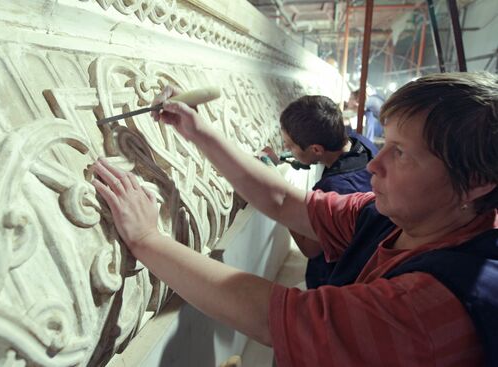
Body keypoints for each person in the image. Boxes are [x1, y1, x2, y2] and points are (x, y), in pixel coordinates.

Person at [92, 72, 498, 366]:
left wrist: (147, 237)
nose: (376, 165)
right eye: (384, 144)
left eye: (402, 153)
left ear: (477, 182)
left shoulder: (436, 305)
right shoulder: (394, 217)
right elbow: (283, 200)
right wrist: (198, 130)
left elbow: (273, 317)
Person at [262, 95, 378, 289]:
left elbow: (310, 248)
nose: (285, 148)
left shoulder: (332, 189)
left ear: (316, 149)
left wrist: (278, 185)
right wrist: (293, 157)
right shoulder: (360, 143)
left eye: (290, 145)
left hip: (338, 282)